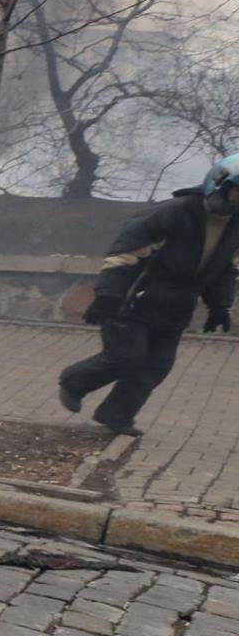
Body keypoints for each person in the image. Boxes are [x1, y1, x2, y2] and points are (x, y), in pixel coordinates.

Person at [59, 154, 239, 436]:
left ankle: (115, 416)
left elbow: (226, 269)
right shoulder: (174, 212)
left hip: (177, 308)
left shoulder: (234, 228)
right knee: (126, 357)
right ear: (218, 183)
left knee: (156, 367)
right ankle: (73, 382)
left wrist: (219, 305)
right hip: (135, 299)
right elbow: (126, 254)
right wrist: (108, 295)